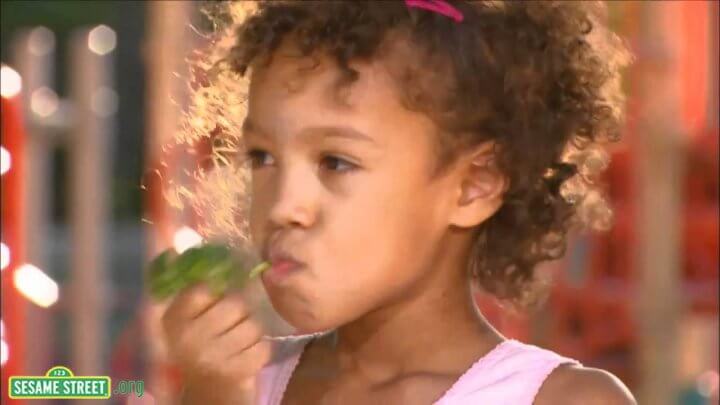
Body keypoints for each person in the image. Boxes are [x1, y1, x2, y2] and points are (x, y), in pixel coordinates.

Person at [161, 1, 636, 404]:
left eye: (336, 162)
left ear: (474, 186)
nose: (283, 206)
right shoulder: (240, 386)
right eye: (262, 157)